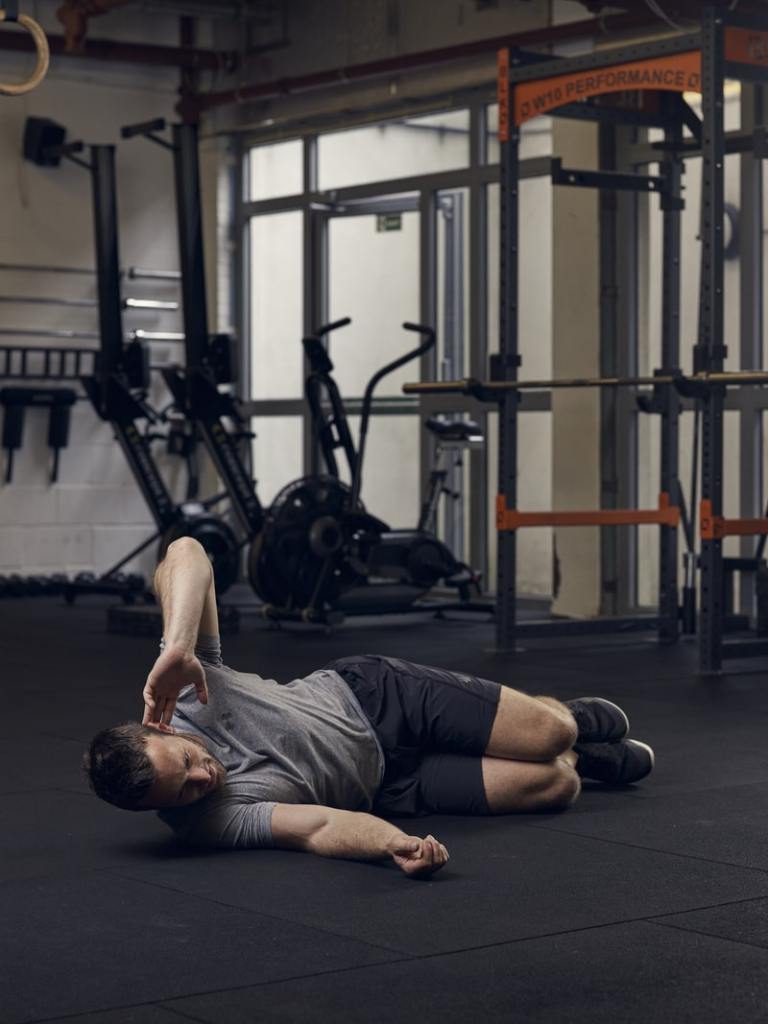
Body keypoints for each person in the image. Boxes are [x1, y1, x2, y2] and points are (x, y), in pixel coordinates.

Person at [84, 537, 655, 880]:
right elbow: (319, 825)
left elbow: (186, 553)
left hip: (378, 698)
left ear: (156, 726)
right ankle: (584, 756)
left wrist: (179, 646)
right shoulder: (206, 823)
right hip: (393, 786)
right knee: (558, 785)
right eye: (182, 791)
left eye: (186, 761)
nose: (203, 778)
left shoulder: (182, 692)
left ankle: (568, 721)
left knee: (549, 734)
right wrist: (393, 844)